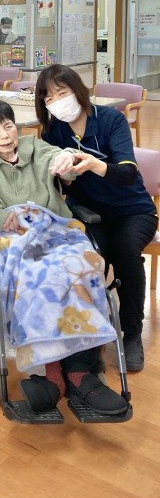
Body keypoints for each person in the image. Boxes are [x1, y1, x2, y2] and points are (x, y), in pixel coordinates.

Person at [0, 100, 128, 415]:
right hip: (10, 234)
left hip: (52, 228)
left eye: (8, 126)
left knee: (84, 264)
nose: (5, 135)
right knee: (40, 275)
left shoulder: (35, 148)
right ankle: (58, 374)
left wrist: (66, 158)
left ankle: (76, 369)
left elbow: (61, 159)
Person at [34, 64, 157, 373]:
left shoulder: (111, 120)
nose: (56, 102)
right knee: (86, 258)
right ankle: (92, 338)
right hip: (89, 212)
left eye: (62, 93)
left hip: (133, 210)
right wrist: (65, 179)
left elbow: (127, 173)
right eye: (48, 98)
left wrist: (93, 164)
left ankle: (131, 334)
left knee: (125, 251)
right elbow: (58, 186)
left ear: (78, 90)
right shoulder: (53, 132)